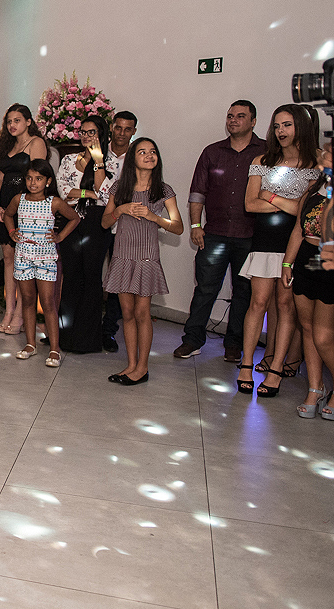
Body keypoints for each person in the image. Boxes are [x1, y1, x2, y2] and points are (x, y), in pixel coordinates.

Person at [237, 104, 322, 396]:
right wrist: (288, 204)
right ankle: (246, 364)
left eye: (287, 125)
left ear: (300, 127)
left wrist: (271, 197)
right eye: (276, 126)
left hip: (293, 243)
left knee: (286, 307)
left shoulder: (313, 165)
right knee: (258, 303)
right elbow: (250, 204)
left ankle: (275, 370)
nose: (281, 131)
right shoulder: (262, 160)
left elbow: (303, 212)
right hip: (264, 241)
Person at [175, 101, 265, 362]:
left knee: (244, 292)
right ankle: (192, 340)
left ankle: (234, 344)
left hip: (251, 236)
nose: (233, 120)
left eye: (240, 116)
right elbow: (197, 192)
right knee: (205, 289)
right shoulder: (212, 152)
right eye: (229, 116)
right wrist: (195, 225)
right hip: (214, 233)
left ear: (253, 121)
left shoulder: (267, 151)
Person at [102, 137, 184, 385]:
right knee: (126, 313)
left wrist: (153, 216)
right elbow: (105, 222)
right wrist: (120, 210)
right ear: (132, 158)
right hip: (122, 257)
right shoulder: (119, 188)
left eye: (153, 152)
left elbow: (178, 227)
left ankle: (142, 368)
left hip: (146, 258)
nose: (149, 155)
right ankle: (131, 365)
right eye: (142, 152)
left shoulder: (163, 190)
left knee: (141, 313)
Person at [4, 159, 79, 367]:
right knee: (27, 299)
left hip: (46, 257)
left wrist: (60, 236)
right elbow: (8, 215)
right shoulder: (19, 199)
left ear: (48, 181)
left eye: (38, 179)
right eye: (29, 178)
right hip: (23, 256)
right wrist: (12, 231)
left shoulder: (54, 202)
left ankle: (54, 349)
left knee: (47, 302)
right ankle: (30, 344)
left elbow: (74, 218)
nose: (33, 183)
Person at [56, 115, 122, 353]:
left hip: (96, 223)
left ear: (101, 134)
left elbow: (106, 193)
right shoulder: (68, 159)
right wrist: (89, 193)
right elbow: (63, 191)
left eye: (91, 132)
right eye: (83, 132)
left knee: (92, 277)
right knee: (71, 275)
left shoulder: (111, 163)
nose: (86, 136)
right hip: (71, 220)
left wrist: (98, 162)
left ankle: (87, 339)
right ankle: (65, 335)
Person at [284, 142, 334, 418]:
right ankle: (315, 388)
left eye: (329, 153)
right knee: (307, 328)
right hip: (305, 259)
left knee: (324, 336)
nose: (324, 157)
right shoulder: (314, 189)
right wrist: (287, 263)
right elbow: (298, 230)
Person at [0, 104, 48, 333]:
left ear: (28, 122)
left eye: (17, 120)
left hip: (25, 207)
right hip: (5, 207)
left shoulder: (36, 143)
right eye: (9, 121)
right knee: (8, 258)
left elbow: (38, 177)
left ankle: (21, 314)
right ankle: (9, 310)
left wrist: (21, 207)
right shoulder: (9, 146)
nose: (12, 125)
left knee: (24, 262)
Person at [100, 110, 140, 352]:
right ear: (112, 127)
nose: (122, 133)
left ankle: (108, 330)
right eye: (118, 127)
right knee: (92, 274)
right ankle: (86, 324)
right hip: (98, 221)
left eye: (127, 129)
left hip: (124, 226)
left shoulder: (138, 156)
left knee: (117, 280)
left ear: (134, 131)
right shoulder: (98, 152)